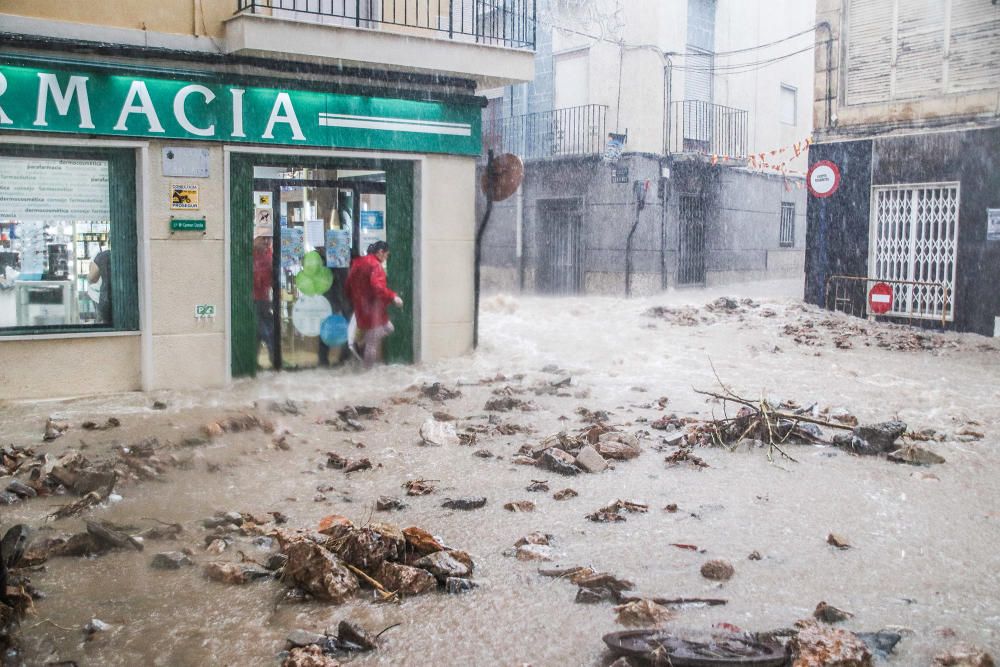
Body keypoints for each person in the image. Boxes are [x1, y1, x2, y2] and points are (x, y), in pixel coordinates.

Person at [345, 240, 402, 369]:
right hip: (373, 309)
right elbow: (378, 287)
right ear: (380, 252)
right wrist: (393, 297)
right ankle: (367, 374)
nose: (386, 258)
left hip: (361, 308)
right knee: (373, 342)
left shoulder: (357, 263)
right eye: (387, 255)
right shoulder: (375, 265)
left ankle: (362, 344)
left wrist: (354, 301)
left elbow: (348, 285)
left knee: (387, 329)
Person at [253, 232, 276, 368]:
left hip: (265, 299)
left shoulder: (270, 254)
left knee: (267, 331)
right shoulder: (248, 254)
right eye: (263, 238)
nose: (267, 242)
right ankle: (256, 360)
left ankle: (274, 359)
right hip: (252, 300)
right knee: (262, 331)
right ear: (255, 239)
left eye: (269, 239)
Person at [87, 248, 111, 325]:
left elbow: (92, 278)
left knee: (104, 324)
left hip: (105, 298)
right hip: (123, 300)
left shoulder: (102, 255)